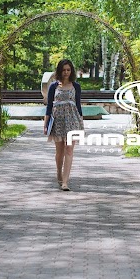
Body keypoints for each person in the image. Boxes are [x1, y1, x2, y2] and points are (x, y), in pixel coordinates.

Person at [44, 59, 84, 191]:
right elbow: (49, 106)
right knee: (59, 152)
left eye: (68, 70)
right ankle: (58, 172)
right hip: (58, 120)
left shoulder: (76, 86)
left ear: (71, 71)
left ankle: (65, 182)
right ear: (59, 71)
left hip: (73, 120)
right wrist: (46, 124)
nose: (66, 72)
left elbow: (78, 105)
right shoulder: (53, 86)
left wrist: (81, 123)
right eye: (64, 70)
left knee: (69, 150)